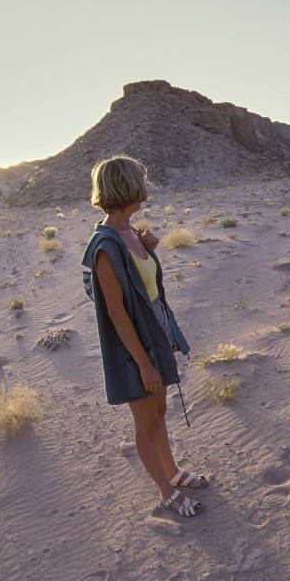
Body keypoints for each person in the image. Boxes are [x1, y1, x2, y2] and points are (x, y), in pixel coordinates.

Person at [81, 155, 206, 518]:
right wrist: (145, 365)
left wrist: (148, 251)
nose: (146, 191)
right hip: (136, 349)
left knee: (161, 411)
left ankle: (173, 470)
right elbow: (116, 314)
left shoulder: (130, 235)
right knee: (145, 423)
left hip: (157, 335)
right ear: (127, 188)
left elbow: (143, 287)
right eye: (141, 184)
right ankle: (166, 491)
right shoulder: (105, 246)